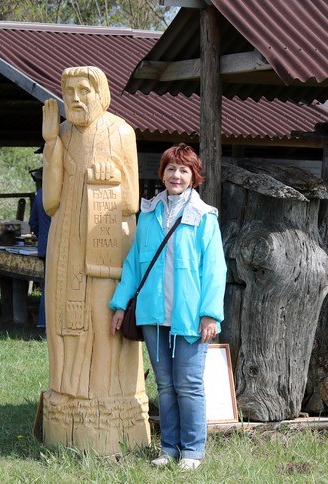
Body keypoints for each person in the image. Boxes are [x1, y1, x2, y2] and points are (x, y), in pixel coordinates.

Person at [40, 66, 150, 453]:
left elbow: (132, 200)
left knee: (104, 319)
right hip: (66, 241)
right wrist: (51, 145)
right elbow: (50, 201)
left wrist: (113, 178)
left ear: (101, 93)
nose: (74, 98)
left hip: (105, 243)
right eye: (68, 90)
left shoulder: (121, 131)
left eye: (83, 90)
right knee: (66, 320)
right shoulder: (65, 135)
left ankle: (108, 403)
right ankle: (69, 397)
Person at [110, 143, 227, 470]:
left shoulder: (204, 217)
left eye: (184, 170)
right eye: (171, 169)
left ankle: (192, 451)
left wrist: (210, 314)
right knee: (164, 385)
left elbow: (216, 270)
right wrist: (120, 304)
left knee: (188, 385)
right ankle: (170, 449)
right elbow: (134, 264)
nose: (176, 175)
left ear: (194, 177)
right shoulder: (148, 214)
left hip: (190, 317)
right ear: (162, 173)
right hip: (152, 313)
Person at [28, 168, 50, 330]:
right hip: (61, 247)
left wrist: (42, 235)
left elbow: (33, 222)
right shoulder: (63, 193)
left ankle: (43, 322)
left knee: (47, 286)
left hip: (44, 247)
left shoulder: (40, 194)